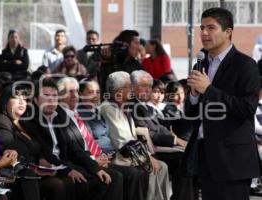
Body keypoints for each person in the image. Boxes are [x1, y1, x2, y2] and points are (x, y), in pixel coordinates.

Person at [185, 7, 261, 200]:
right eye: (201, 27)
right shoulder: (201, 64)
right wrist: (193, 95)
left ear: (228, 32)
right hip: (205, 155)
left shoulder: (245, 65)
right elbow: (192, 112)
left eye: (211, 28)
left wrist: (209, 90)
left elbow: (246, 108)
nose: (203, 33)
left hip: (232, 159)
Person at [100, 71, 172, 200]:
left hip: (133, 155)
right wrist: (148, 159)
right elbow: (123, 141)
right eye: (129, 86)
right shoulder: (107, 108)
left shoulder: (125, 107)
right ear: (118, 91)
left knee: (161, 166)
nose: (132, 89)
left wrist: (149, 157)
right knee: (151, 168)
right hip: (121, 157)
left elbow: (133, 139)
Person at [0, 83, 69, 200]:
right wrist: (36, 168)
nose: (21, 102)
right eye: (16, 98)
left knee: (63, 182)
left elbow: (41, 149)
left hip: (35, 173)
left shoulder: (25, 123)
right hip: (16, 176)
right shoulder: (2, 121)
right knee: (55, 184)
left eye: (24, 99)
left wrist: (43, 160)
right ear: (5, 101)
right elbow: (10, 153)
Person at [78, 79, 149, 200]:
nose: (95, 96)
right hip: (97, 159)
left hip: (111, 156)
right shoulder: (80, 114)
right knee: (131, 173)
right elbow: (85, 143)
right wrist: (95, 159)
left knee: (140, 172)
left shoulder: (96, 112)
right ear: (80, 94)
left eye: (97, 92)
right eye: (90, 92)